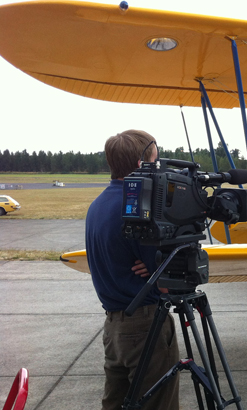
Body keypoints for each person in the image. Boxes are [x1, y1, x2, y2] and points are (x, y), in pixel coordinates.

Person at [85, 130, 179, 410]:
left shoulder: (98, 205)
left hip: (114, 326)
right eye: (155, 160)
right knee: (158, 403)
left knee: (115, 404)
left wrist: (150, 267)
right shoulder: (137, 209)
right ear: (142, 165)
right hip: (145, 324)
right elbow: (165, 284)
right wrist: (165, 267)